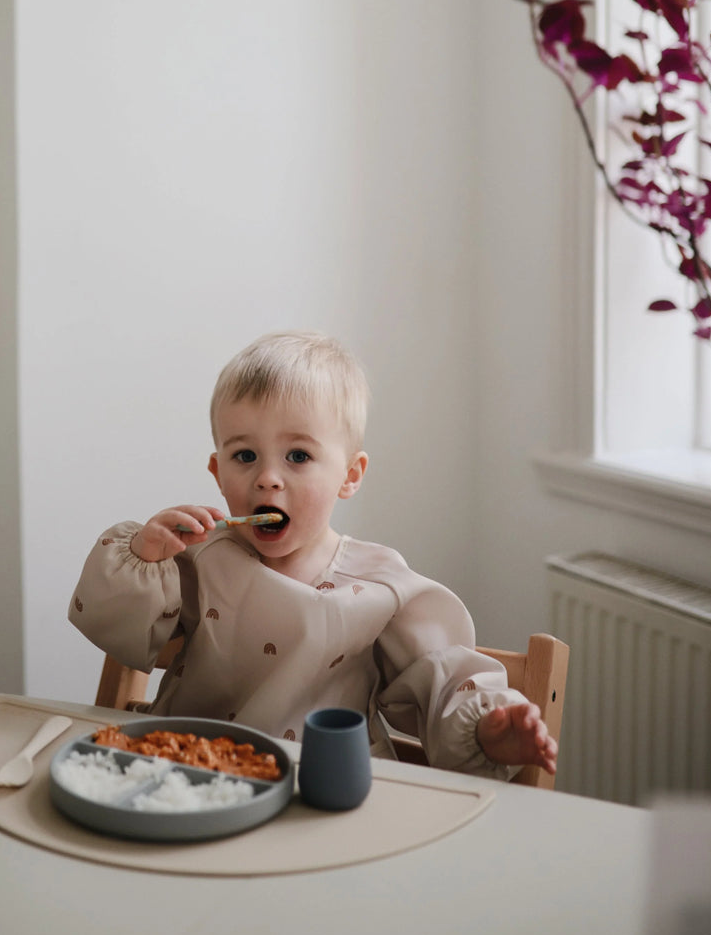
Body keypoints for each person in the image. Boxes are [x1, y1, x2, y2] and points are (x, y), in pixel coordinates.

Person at [69, 331, 557, 779]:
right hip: (190, 776)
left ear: (350, 474)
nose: (267, 478)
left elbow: (444, 679)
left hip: (322, 790)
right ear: (218, 473)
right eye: (245, 456)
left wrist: (487, 727)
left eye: (298, 457)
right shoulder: (200, 560)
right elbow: (115, 627)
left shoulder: (380, 587)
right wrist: (144, 554)